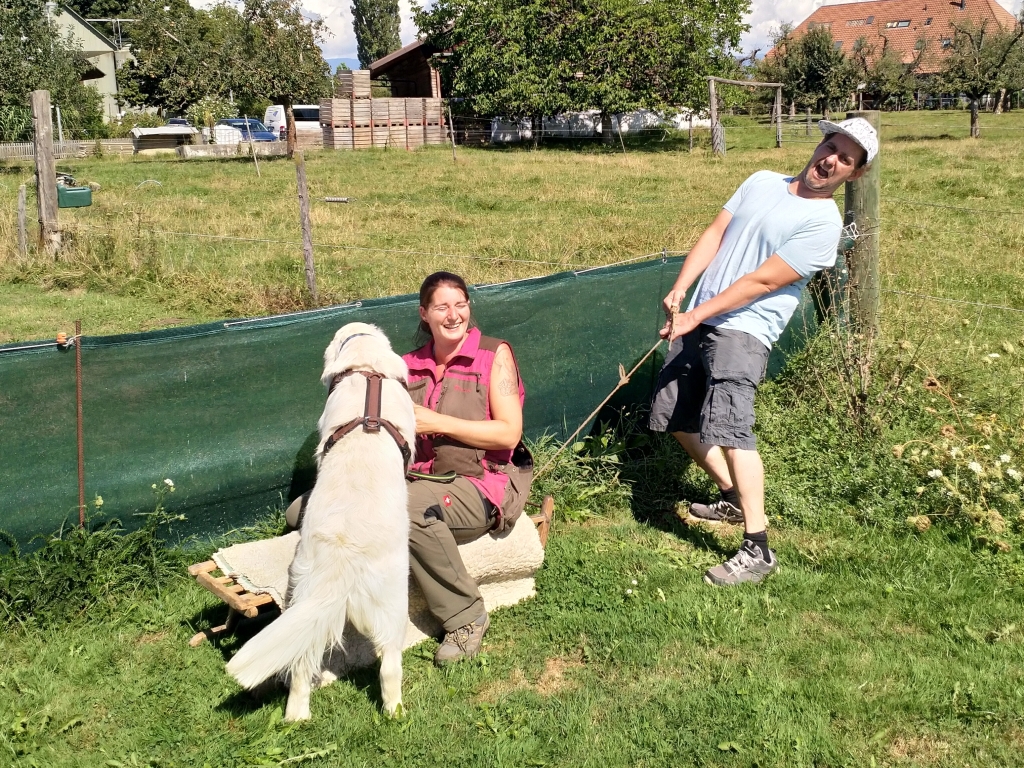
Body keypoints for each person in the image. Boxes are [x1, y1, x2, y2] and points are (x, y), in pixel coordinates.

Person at [650, 117, 877, 587]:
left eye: (845, 160)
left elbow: (762, 282)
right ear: (820, 144)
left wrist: (696, 316)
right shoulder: (760, 181)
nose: (830, 159)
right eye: (830, 146)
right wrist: (681, 291)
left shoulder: (822, 224)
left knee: (732, 430)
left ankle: (758, 547)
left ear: (852, 175)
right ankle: (732, 497)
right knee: (673, 416)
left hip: (744, 331)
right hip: (700, 314)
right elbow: (714, 234)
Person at [402, 271, 532, 664]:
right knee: (307, 507)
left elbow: (509, 434)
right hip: (417, 476)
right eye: (442, 306)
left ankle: (466, 615)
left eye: (461, 304)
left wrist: (436, 422)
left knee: (404, 510)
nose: (454, 315)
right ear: (424, 313)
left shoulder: (494, 356)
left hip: (479, 485)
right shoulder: (406, 365)